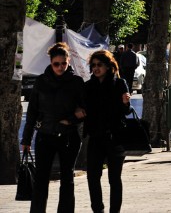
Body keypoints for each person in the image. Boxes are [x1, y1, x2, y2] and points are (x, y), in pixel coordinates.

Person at [21, 42, 86, 213]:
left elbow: (85, 109)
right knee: (41, 179)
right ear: (50, 62)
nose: (60, 67)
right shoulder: (41, 82)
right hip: (45, 135)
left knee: (67, 179)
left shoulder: (76, 82)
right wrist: (26, 139)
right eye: (56, 64)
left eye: (63, 63)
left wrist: (71, 120)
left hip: (69, 137)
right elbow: (33, 112)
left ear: (68, 61)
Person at [84, 49, 132, 213]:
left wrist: (126, 103)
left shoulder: (119, 83)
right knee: (92, 177)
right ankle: (98, 209)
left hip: (115, 137)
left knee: (114, 178)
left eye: (100, 65)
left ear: (108, 66)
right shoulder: (88, 86)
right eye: (93, 65)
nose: (96, 68)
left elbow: (126, 111)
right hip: (95, 137)